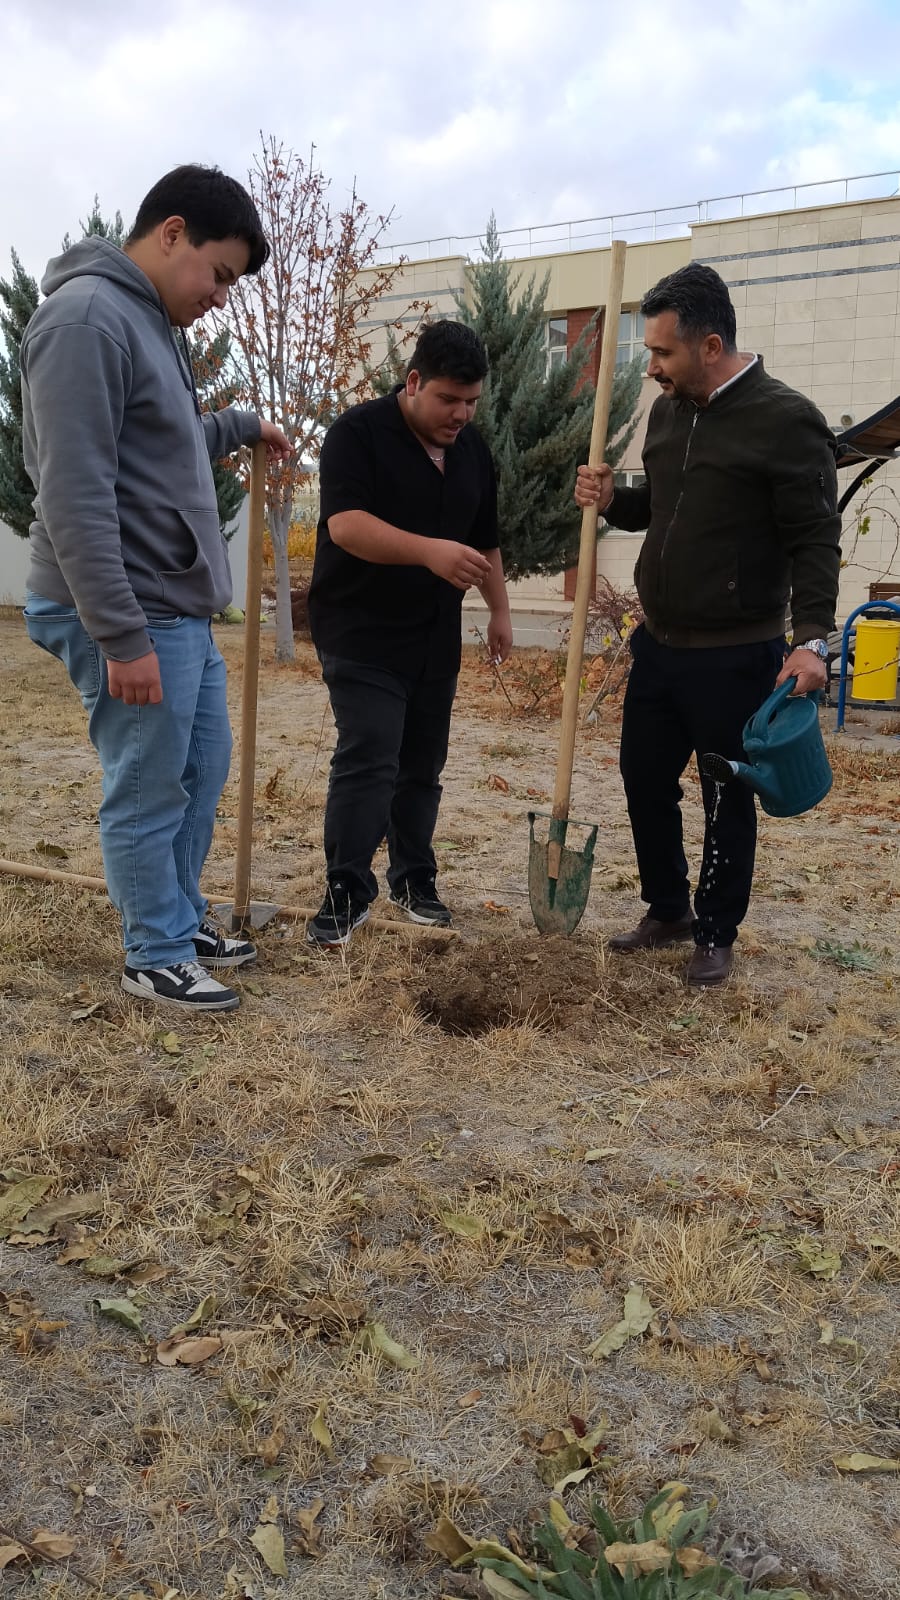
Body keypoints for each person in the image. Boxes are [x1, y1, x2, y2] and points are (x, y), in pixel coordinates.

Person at [21, 164, 291, 1012]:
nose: (220, 296)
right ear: (171, 233)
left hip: (173, 607)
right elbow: (73, 490)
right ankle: (155, 952)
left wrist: (241, 425)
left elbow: (161, 442)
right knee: (147, 783)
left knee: (199, 769)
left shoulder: (148, 323)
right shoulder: (87, 320)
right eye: (218, 273)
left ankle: (176, 915)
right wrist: (120, 635)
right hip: (126, 610)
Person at [575, 262, 840, 986]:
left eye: (662, 352)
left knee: (726, 793)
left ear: (711, 345)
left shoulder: (786, 420)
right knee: (643, 776)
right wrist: (614, 498)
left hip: (736, 651)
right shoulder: (671, 412)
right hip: (661, 643)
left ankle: (715, 932)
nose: (651, 366)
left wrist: (812, 639)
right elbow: (664, 504)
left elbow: (816, 538)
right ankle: (669, 909)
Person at [307, 319, 512, 947]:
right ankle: (345, 891)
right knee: (370, 755)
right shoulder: (357, 434)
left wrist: (499, 610)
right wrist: (429, 552)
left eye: (472, 401)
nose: (461, 414)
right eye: (449, 399)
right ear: (414, 380)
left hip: (433, 637)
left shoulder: (473, 451)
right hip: (361, 629)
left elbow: (485, 540)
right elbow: (345, 525)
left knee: (421, 765)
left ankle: (414, 880)